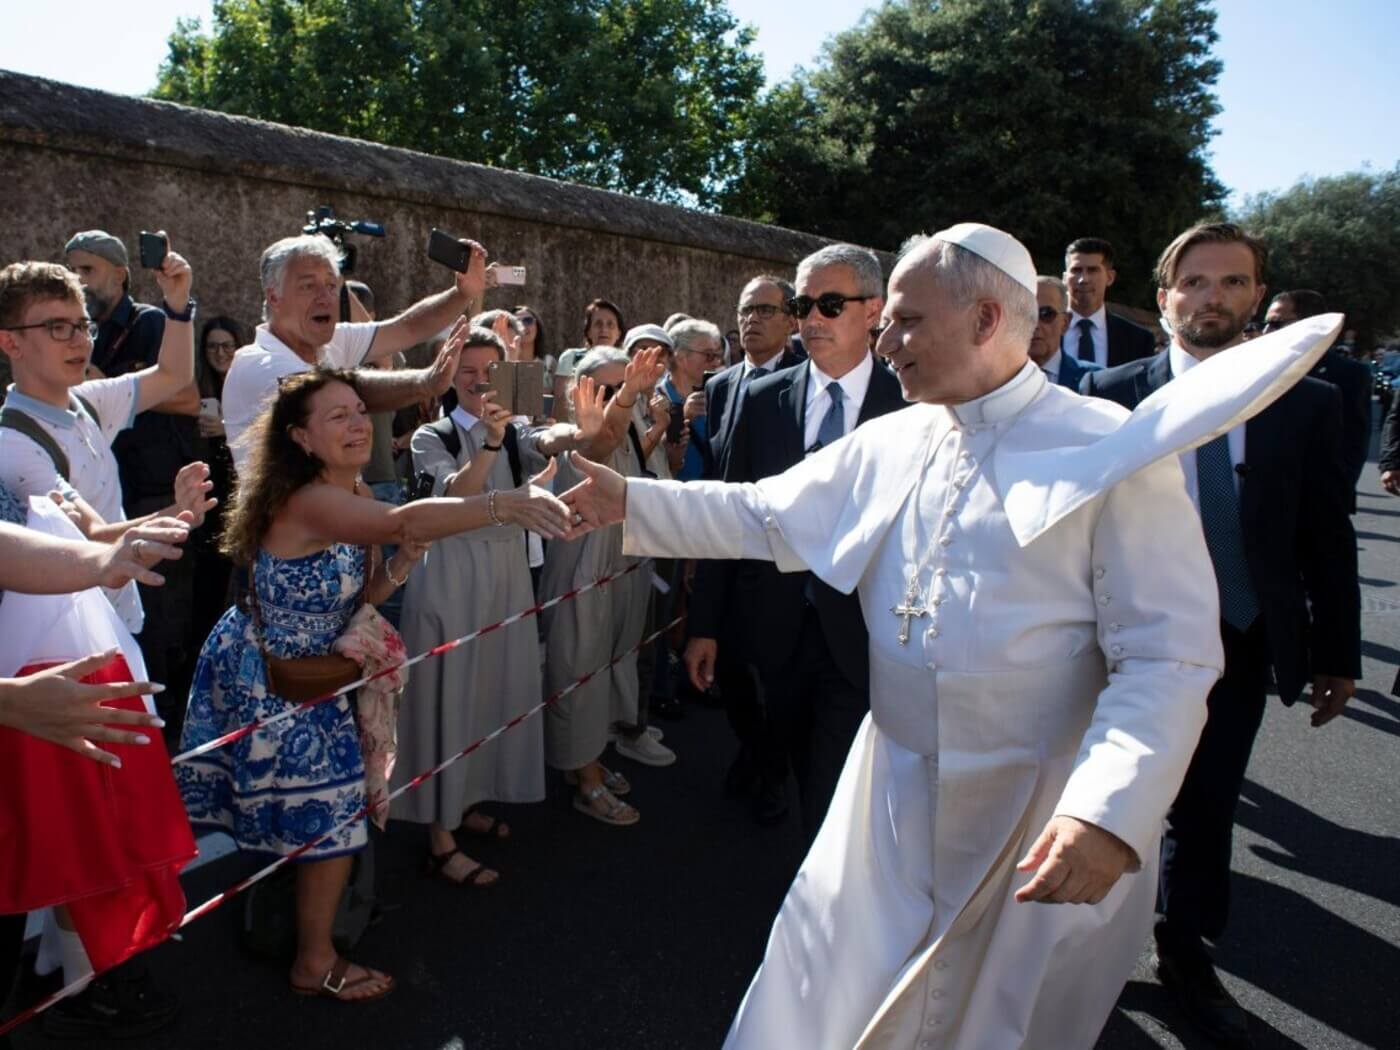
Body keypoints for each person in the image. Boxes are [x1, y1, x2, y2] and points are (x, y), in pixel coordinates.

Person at [558, 221, 1340, 1049]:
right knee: (829, 995)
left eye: (905, 321)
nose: (885, 341)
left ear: (984, 321)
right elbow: (768, 513)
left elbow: (1168, 656)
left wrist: (1107, 813)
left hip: (1031, 813)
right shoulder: (898, 435)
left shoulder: (1107, 448)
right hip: (889, 792)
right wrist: (630, 502)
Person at [176, 368, 570, 1002]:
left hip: (321, 680)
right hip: (271, 681)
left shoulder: (349, 487)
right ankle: (309, 959)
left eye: (361, 410)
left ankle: (295, 934)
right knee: (326, 822)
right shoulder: (305, 498)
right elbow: (402, 517)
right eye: (338, 416)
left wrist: (404, 564)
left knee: (327, 819)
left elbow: (366, 594)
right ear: (300, 438)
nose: (359, 423)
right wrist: (505, 504)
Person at [1083, 224, 1359, 1047]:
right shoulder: (1108, 392)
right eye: (1195, 282)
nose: (1213, 299)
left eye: (1233, 283)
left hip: (1238, 637)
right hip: (1119, 639)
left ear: (1255, 297)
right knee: (1106, 796)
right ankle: (1084, 950)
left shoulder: (1308, 401)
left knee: (1204, 808)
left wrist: (1336, 653)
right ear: (1164, 295)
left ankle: (1186, 951)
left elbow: (1326, 533)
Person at [688, 245, 905, 837]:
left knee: (833, 784)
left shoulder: (911, 403)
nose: (811, 319)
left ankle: (825, 901)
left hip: (865, 632)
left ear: (873, 311)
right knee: (774, 746)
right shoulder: (762, 399)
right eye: (803, 305)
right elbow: (729, 509)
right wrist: (704, 623)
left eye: (829, 305)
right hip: (771, 625)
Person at [392, 326, 608, 884]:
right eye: (466, 371)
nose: (478, 381)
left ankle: (465, 802)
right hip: (449, 578)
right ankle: (439, 837)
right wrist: (491, 443)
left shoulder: (512, 431)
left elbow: (548, 439)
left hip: (505, 574)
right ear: (446, 378)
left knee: (488, 692)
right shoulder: (429, 436)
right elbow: (458, 497)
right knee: (446, 694)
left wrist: (579, 432)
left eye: (490, 370)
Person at [220, 233, 487, 474]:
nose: (325, 297)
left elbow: (406, 328)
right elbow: (345, 390)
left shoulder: (331, 339)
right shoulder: (259, 364)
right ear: (274, 298)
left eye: (331, 285)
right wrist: (425, 382)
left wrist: (462, 293)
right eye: (308, 286)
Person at [539, 346, 666, 825]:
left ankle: (589, 760)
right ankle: (585, 780)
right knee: (578, 673)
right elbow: (596, 446)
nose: (619, 396)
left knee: (610, 665)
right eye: (609, 388)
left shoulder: (628, 424)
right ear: (578, 391)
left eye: (625, 384)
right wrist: (629, 397)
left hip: (620, 567)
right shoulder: (571, 435)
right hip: (582, 573)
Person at [1264, 289, 1372, 513]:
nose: (1266, 331)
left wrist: (1331, 499)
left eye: (1276, 323)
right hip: (1261, 501)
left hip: (1315, 505)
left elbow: (1351, 445)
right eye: (1266, 323)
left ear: (1308, 323)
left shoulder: (1348, 374)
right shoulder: (1256, 370)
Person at [190, 316, 243, 656]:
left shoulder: (249, 386)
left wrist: (226, 428)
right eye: (212, 346)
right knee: (205, 587)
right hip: (206, 496)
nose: (220, 353)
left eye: (227, 345)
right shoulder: (196, 387)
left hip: (237, 498)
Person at [1062, 237, 1156, 367]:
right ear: (1065, 278)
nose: (1083, 279)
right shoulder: (1041, 331)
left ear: (1110, 277)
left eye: (1092, 270)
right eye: (1076, 270)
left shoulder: (1137, 339)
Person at [552, 298, 625, 411]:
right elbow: (560, 405)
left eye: (610, 325)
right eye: (598, 324)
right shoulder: (571, 357)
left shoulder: (625, 363)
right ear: (588, 331)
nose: (604, 329)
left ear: (618, 333)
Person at [1030, 276, 1101, 389]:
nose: (1035, 325)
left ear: (1065, 322)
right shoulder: (994, 381)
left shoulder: (1097, 380)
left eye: (1046, 314)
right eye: (1026, 315)